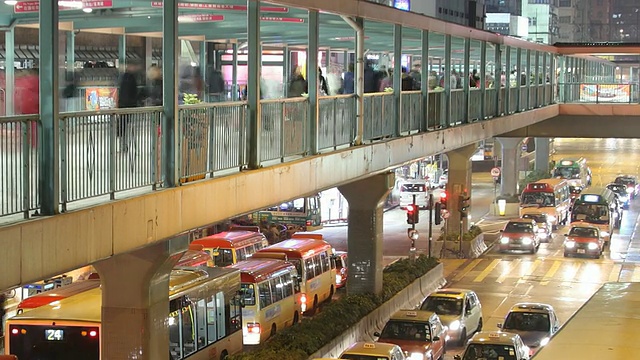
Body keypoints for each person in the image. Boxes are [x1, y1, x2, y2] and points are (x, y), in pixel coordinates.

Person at [117, 61, 142, 152]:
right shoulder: (131, 78)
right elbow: (133, 92)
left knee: (123, 126)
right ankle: (125, 145)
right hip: (128, 106)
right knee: (125, 126)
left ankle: (123, 145)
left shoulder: (125, 77)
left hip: (124, 105)